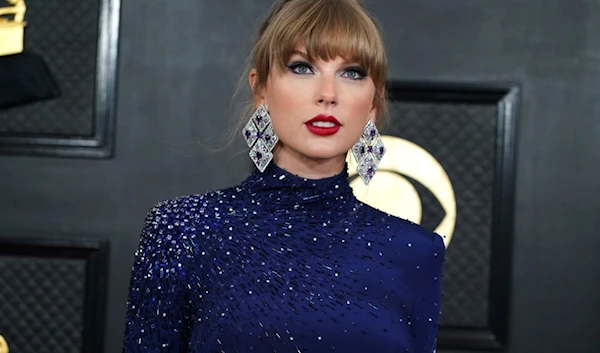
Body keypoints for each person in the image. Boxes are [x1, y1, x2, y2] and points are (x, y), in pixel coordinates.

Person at [122, 0, 446, 352]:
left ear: (372, 102)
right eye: (302, 67)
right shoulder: (183, 231)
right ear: (260, 90)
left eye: (352, 72)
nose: (328, 94)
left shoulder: (416, 250)